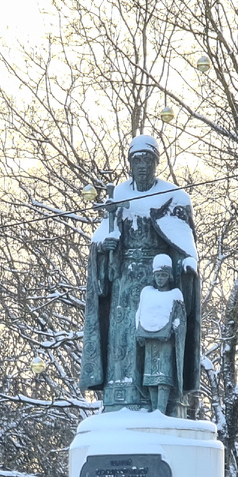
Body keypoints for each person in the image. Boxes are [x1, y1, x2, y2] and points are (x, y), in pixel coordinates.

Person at [82, 135, 200, 414]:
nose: (143, 167)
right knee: (123, 338)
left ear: (156, 163)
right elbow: (101, 240)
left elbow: (184, 244)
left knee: (158, 342)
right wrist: (104, 247)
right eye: (137, 161)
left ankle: (161, 402)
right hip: (124, 282)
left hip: (159, 282)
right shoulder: (118, 197)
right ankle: (121, 398)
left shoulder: (174, 198)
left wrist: (186, 266)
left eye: (148, 160)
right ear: (130, 165)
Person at [135, 255, 187, 414]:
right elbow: (139, 315)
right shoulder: (147, 293)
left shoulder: (175, 296)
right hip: (150, 342)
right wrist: (140, 333)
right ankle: (153, 408)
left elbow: (180, 320)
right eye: (157, 275)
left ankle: (161, 409)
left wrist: (173, 331)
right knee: (150, 376)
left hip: (166, 343)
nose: (160, 278)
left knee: (163, 376)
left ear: (169, 277)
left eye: (163, 275)